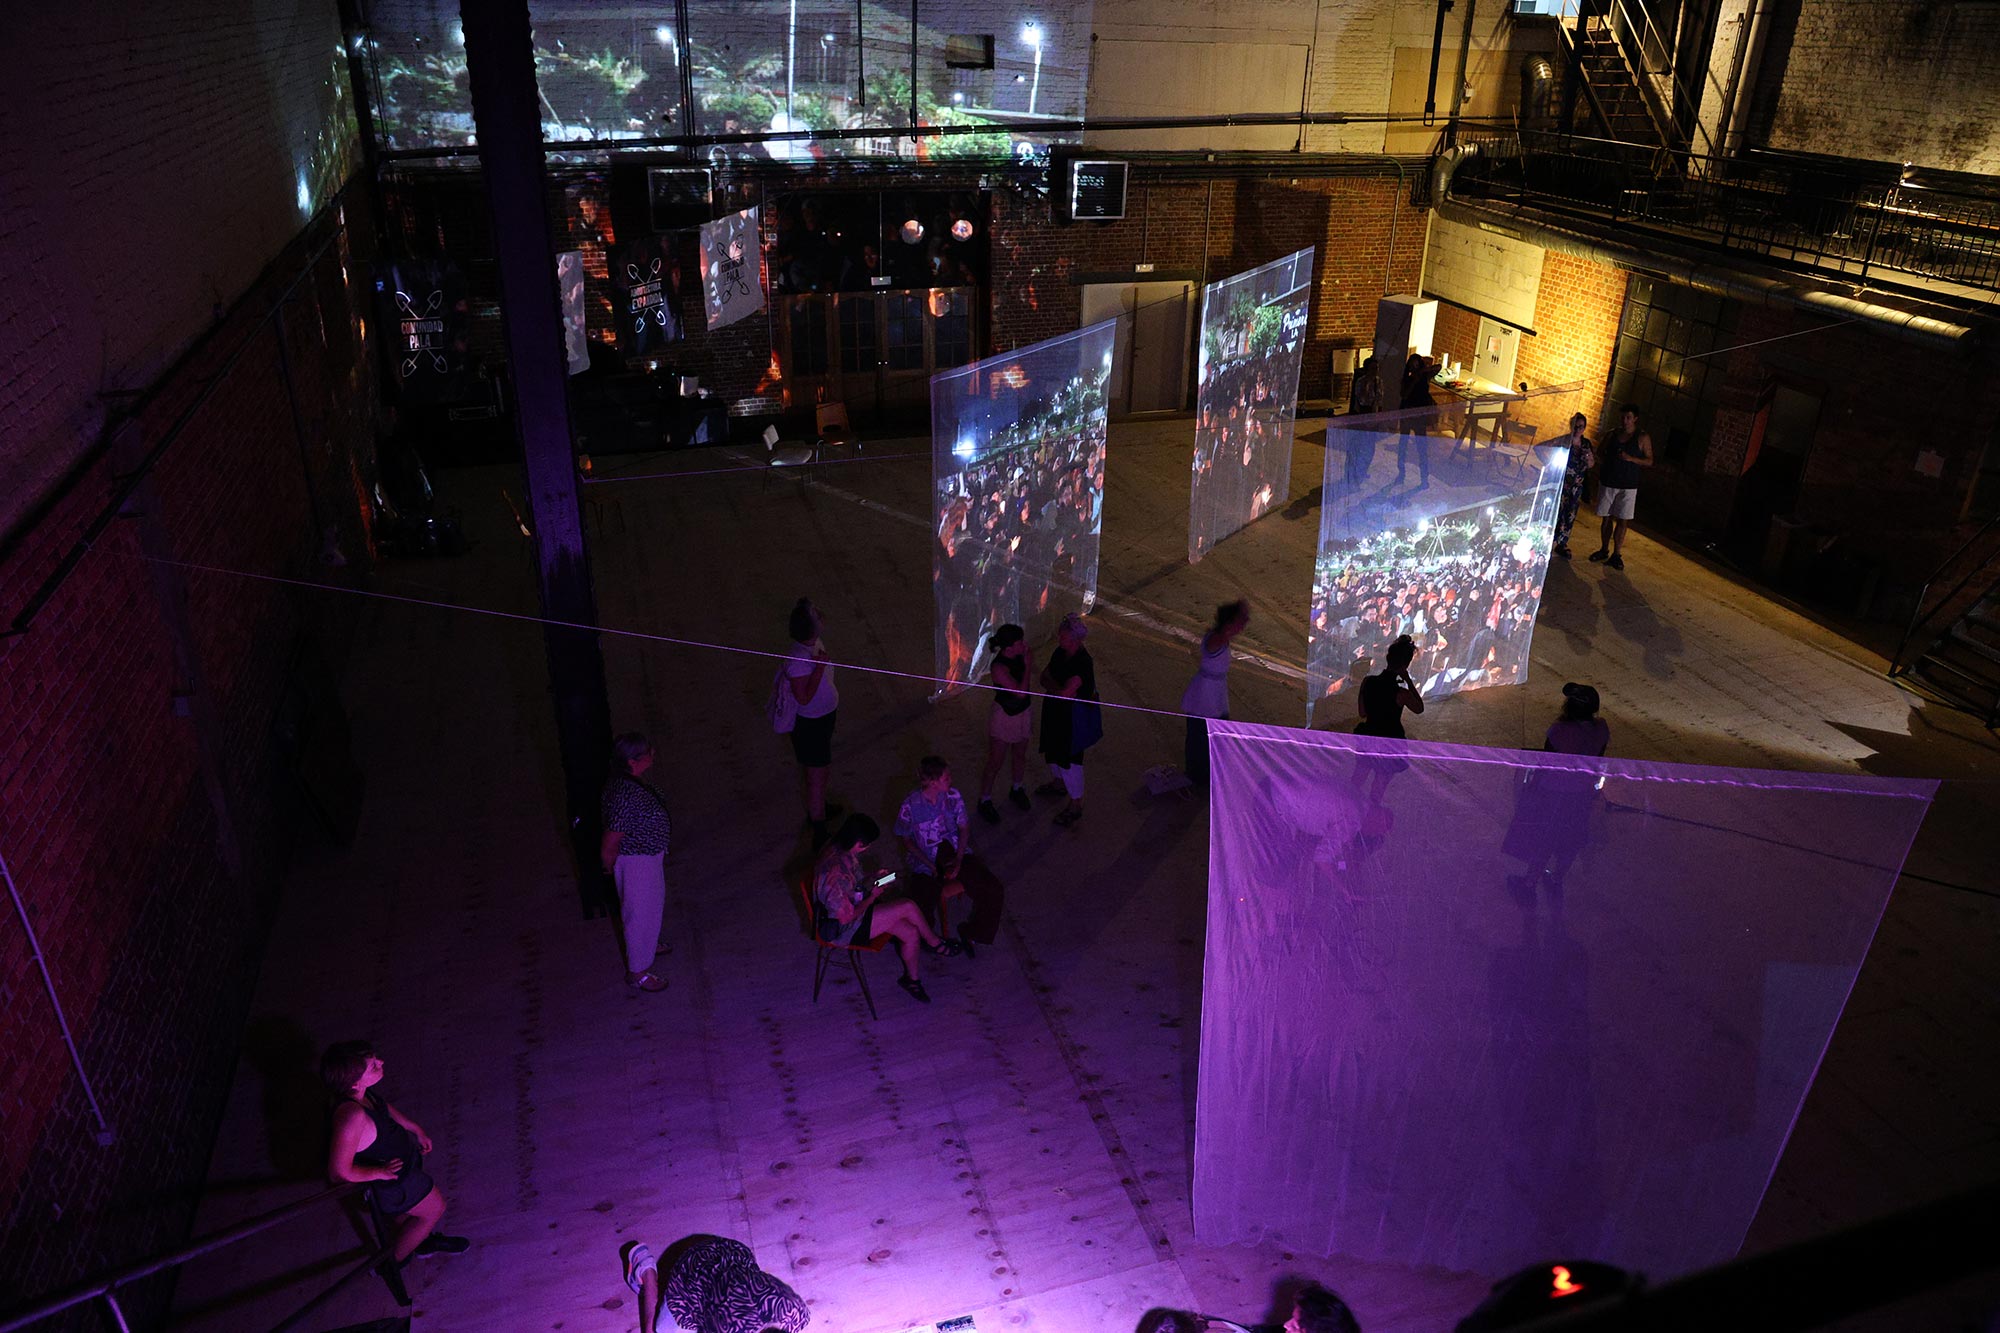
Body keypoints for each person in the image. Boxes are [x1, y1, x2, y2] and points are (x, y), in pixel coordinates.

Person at [322, 1041, 468, 1264]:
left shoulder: (363, 1094)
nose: (381, 1062)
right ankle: (391, 1265)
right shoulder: (352, 1116)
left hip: (402, 1170)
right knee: (434, 1209)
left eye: (376, 1059)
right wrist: (378, 1172)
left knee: (408, 1216)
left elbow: (384, 1108)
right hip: (394, 1183)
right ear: (354, 1082)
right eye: (373, 1066)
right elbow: (337, 1172)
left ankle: (422, 1243)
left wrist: (414, 1128)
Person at [813, 814, 959, 1003]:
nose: (868, 849)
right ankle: (935, 943)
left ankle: (912, 980)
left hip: (856, 908)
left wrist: (873, 878)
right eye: (867, 845)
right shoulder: (836, 871)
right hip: (844, 929)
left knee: (911, 932)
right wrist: (872, 896)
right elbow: (845, 917)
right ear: (859, 843)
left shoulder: (840, 848)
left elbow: (853, 886)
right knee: (907, 906)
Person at [896, 756, 1007, 954]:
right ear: (933, 782)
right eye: (946, 778)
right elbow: (907, 841)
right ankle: (929, 942)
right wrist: (930, 865)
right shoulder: (910, 805)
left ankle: (973, 932)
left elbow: (964, 828)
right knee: (919, 901)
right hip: (925, 858)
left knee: (992, 888)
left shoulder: (953, 796)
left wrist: (959, 858)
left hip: (954, 850)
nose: (951, 780)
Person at [600, 733, 672, 993]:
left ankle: (648, 945)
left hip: (648, 858)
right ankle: (638, 972)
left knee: (651, 906)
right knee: (639, 914)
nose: (653, 754)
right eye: (648, 752)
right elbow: (610, 841)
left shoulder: (629, 781)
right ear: (632, 761)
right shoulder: (625, 794)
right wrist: (608, 868)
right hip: (636, 862)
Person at [622, 1235, 810, 1333]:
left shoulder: (797, 1314)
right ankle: (646, 1270)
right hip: (691, 1272)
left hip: (732, 1252)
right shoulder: (728, 1327)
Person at [784, 598, 840, 839]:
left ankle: (820, 808)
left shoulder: (812, 642)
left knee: (821, 770)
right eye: (816, 614)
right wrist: (819, 668)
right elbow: (803, 697)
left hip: (822, 719)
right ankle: (818, 825)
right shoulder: (798, 660)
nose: (821, 613)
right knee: (816, 776)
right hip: (811, 724)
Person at [1037, 613, 1099, 828]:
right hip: (1057, 712)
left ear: (1074, 640)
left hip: (1072, 719)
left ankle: (1075, 805)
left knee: (1070, 760)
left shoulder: (1082, 663)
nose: (1058, 638)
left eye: (1062, 636)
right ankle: (1058, 783)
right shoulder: (1060, 652)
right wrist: (1058, 690)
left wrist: (1054, 688)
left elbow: (1062, 690)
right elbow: (1044, 677)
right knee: (1052, 750)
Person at [1183, 600, 1250, 788]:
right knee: (1202, 737)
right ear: (1229, 623)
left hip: (1212, 691)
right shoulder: (1217, 639)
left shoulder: (1218, 636)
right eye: (1238, 623)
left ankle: (1205, 774)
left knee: (1207, 735)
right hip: (1206, 694)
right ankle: (1200, 776)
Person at [977, 624, 1035, 823]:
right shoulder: (998, 668)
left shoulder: (1019, 654)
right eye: (1020, 642)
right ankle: (985, 800)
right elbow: (1020, 693)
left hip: (1023, 713)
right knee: (995, 761)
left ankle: (1017, 788)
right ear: (1009, 648)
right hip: (1005, 716)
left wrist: (1026, 661)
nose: (1024, 645)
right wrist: (1028, 665)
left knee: (1020, 754)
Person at [1588, 404, 1653, 570]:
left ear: (1635, 419)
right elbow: (1600, 452)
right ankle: (1604, 549)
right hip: (1609, 481)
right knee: (1606, 517)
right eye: (1623, 417)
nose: (1625, 421)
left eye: (1628, 417)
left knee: (1623, 519)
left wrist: (1631, 459)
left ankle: (1617, 554)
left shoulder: (1642, 437)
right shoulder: (1612, 434)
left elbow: (1649, 460)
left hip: (1628, 485)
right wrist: (1607, 464)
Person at [1355, 634, 1425, 739]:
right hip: (1392, 741)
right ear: (1406, 665)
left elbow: (1362, 713)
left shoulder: (1367, 681)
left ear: (1388, 658)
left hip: (1369, 738)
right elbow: (1419, 708)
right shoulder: (1401, 693)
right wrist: (1408, 681)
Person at [1548, 413, 1595, 560]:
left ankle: (1562, 543)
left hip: (1576, 487)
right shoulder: (1564, 441)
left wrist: (1588, 458)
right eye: (1576, 425)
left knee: (1570, 514)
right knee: (1557, 512)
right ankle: (1550, 540)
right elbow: (1542, 447)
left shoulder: (1586, 444)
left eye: (1581, 426)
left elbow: (1591, 464)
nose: (1578, 429)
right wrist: (1548, 464)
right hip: (1563, 483)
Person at [1396, 351, 1437, 486]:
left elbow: (1438, 368)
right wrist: (1414, 379)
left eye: (1416, 364)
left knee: (1421, 447)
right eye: (1412, 365)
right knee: (1403, 444)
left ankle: (1424, 478)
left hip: (1419, 415)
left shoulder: (1424, 377)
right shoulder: (1407, 379)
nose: (1414, 368)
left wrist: (1422, 371)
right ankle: (1401, 473)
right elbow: (1404, 394)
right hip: (1407, 414)